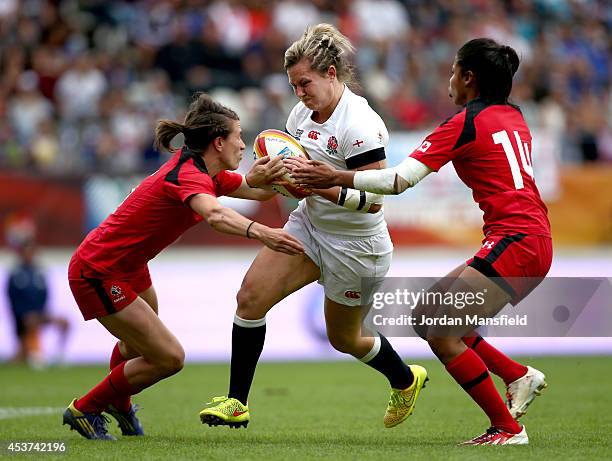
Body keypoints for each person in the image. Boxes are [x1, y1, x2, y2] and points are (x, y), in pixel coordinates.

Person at [287, 38, 551, 445]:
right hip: (527, 237)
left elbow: (397, 180)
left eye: (452, 71)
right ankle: (517, 375)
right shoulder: (513, 116)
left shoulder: (465, 123)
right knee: (430, 316)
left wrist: (333, 176)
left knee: (443, 332)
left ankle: (507, 428)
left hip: (517, 240)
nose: (448, 79)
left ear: (468, 78)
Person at [200, 24, 428, 430]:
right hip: (309, 226)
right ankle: (236, 403)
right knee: (250, 298)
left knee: (344, 339)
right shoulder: (300, 114)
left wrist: (318, 187)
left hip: (357, 244)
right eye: (293, 86)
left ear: (331, 74)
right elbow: (294, 179)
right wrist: (273, 175)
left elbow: (373, 201)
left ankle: (405, 378)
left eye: (304, 83)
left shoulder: (359, 125)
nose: (299, 94)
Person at [62, 93, 306, 440]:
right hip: (99, 271)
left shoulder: (208, 171)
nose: (243, 144)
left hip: (130, 267)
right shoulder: (189, 175)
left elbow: (256, 191)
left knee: (136, 348)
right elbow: (216, 215)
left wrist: (269, 175)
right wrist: (264, 233)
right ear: (218, 142)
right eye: (238, 137)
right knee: (169, 357)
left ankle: (119, 402)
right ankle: (85, 408)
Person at [7, 238, 69, 368]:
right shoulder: (15, 274)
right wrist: (24, 314)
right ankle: (35, 354)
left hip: (40, 313)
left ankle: (58, 355)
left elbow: (46, 295)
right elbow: (12, 299)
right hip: (23, 317)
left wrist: (43, 312)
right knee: (31, 321)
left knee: (64, 322)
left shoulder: (40, 272)